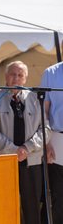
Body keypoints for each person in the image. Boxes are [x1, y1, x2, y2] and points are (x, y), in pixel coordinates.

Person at [0, 61, 51, 224]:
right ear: (6, 76)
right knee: (5, 206)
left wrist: (26, 148)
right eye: (12, 74)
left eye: (20, 75)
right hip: (4, 162)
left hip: (32, 162)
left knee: (31, 208)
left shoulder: (35, 98)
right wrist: (13, 150)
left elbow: (45, 129)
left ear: (25, 79)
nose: (16, 78)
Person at [40, 61, 63, 224]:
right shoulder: (51, 73)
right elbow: (43, 110)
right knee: (58, 194)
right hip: (56, 139)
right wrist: (46, 142)